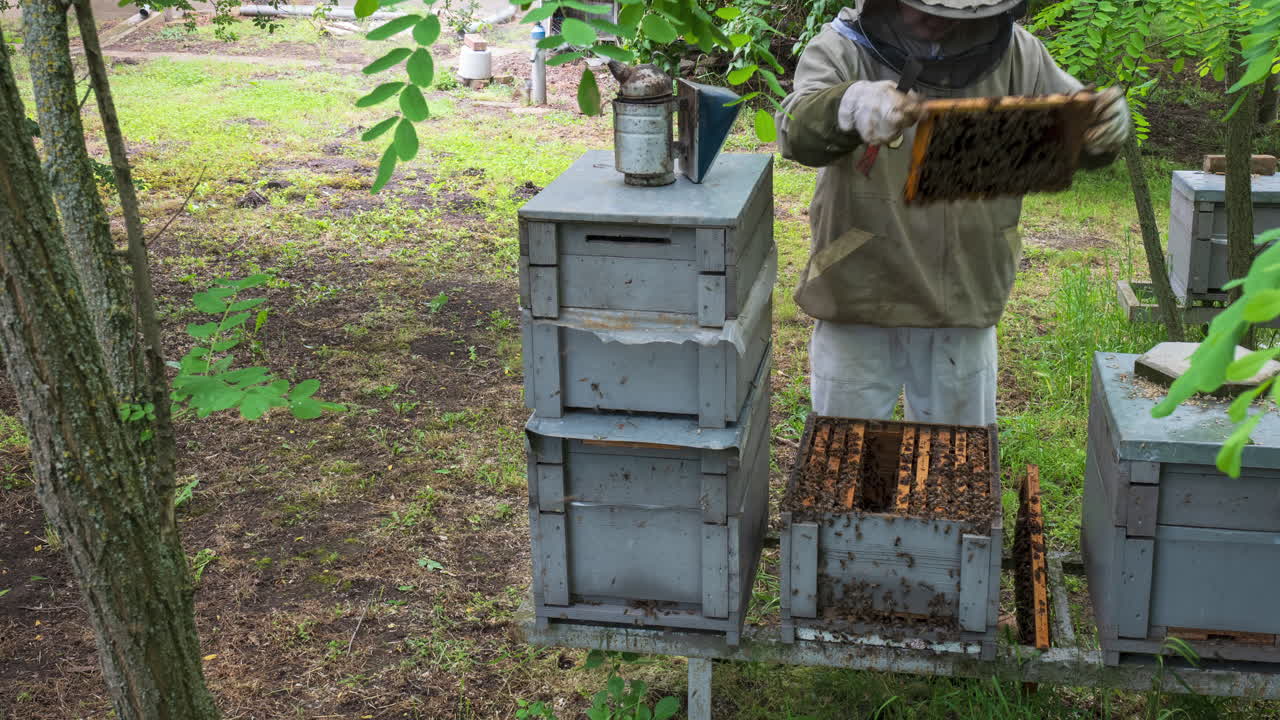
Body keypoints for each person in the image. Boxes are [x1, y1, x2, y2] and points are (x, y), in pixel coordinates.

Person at [776, 0, 1129, 427]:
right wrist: (846, 104)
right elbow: (795, 129)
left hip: (964, 290)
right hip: (859, 287)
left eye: (957, 13)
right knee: (846, 459)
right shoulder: (841, 48)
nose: (938, 21)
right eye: (924, 8)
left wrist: (1100, 127)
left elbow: (1074, 127)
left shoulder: (1021, 53)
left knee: (954, 461)